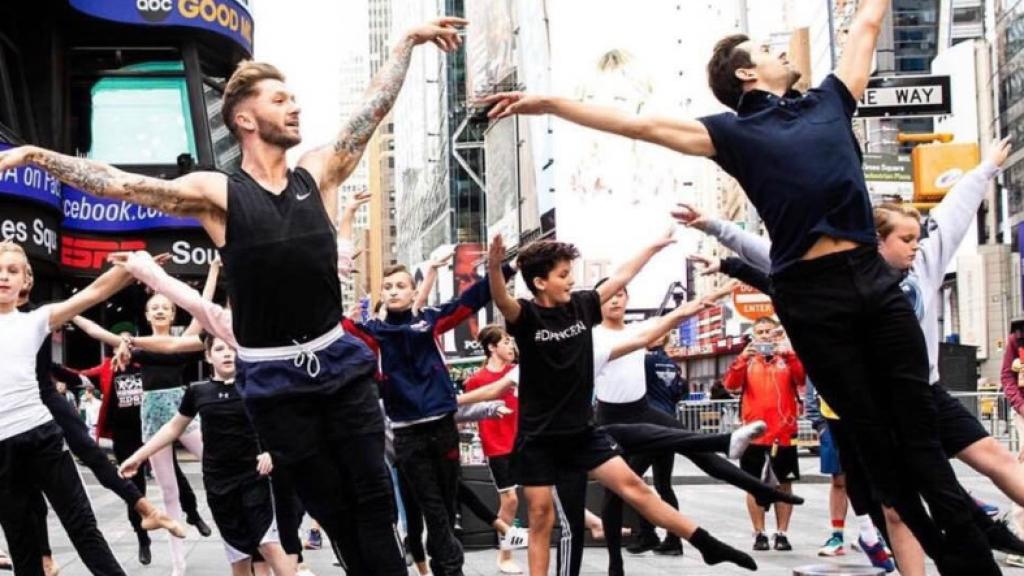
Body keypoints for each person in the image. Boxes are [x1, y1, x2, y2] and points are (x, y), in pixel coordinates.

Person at [479, 1, 998, 572]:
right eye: (768, 52)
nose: (781, 53)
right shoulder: (730, 133)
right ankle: (949, 556)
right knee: (877, 443)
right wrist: (548, 102)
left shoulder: (830, 100)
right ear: (747, 74)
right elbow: (636, 124)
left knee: (919, 438)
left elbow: (869, 25)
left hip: (873, 282)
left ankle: (973, 561)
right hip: (810, 294)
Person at [0, 16, 467, 575]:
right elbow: (122, 183)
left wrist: (405, 46)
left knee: (372, 500)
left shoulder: (315, 174)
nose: (294, 106)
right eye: (280, 98)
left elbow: (371, 114)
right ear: (245, 118)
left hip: (341, 369)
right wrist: (36, 155)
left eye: (294, 97)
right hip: (275, 383)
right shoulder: (217, 192)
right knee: (332, 509)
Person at [680, 137, 1022, 575]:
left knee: (996, 458)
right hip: (873, 409)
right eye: (905, 239)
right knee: (897, 507)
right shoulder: (834, 270)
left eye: (918, 238)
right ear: (875, 241)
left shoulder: (925, 262)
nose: (915, 247)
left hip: (925, 393)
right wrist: (712, 225)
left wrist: (986, 168)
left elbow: (955, 211)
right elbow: (765, 255)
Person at [487, 233, 757, 575]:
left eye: (570, 272)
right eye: (562, 274)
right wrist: (495, 267)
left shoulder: (582, 305)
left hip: (582, 433)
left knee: (636, 488)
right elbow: (501, 299)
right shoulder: (526, 316)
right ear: (540, 282)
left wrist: (652, 246)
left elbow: (622, 276)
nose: (571, 279)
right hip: (538, 439)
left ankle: (705, 543)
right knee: (541, 516)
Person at [342, 259, 513, 576]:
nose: (394, 292)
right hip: (407, 437)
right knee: (433, 509)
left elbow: (471, 300)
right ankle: (452, 570)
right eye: (388, 287)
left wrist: (506, 268)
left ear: (413, 291)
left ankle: (443, 562)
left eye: (401, 286)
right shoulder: (373, 333)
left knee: (447, 509)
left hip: (444, 428)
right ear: (382, 293)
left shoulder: (431, 321)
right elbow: (332, 323)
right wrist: (335, 270)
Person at [0, 242, 135, 576]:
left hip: (41, 437)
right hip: (2, 450)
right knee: (22, 547)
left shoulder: (34, 320)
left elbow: (92, 293)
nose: (3, 277)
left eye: (12, 271)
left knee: (82, 528)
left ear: (24, 283)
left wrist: (136, 267)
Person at [119, 335, 296, 576]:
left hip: (253, 477)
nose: (226, 354)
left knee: (269, 545)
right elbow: (173, 427)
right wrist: (138, 456)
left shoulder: (254, 386)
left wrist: (270, 452)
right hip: (218, 484)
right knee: (238, 555)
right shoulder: (197, 392)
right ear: (207, 355)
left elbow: (278, 425)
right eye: (220, 349)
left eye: (231, 349)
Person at [723, 318, 804, 552]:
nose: (766, 336)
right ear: (753, 335)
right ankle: (759, 533)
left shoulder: (786, 359)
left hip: (784, 432)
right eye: (760, 332)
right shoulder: (748, 360)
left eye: (769, 331)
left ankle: (782, 533)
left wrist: (788, 354)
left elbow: (801, 380)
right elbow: (730, 385)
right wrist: (742, 358)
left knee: (784, 484)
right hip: (753, 433)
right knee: (752, 484)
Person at [462, 325, 526, 574]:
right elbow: (467, 413)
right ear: (491, 347)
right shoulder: (476, 381)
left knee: (541, 494)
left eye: (512, 341)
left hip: (523, 441)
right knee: (510, 499)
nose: (511, 346)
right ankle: (504, 555)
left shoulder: (517, 371)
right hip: (496, 445)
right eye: (506, 342)